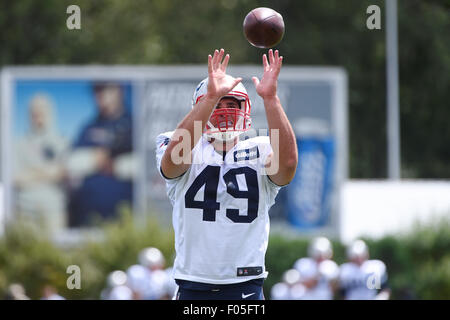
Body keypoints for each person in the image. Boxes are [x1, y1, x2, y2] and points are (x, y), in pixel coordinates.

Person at [155, 48, 298, 300]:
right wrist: (211, 97)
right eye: (218, 104)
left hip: (246, 283)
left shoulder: (261, 148)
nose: (225, 112)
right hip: (193, 283)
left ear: (245, 109)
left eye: (232, 104)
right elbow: (172, 164)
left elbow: (287, 166)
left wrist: (271, 98)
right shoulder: (178, 144)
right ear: (201, 107)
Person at [66, 82, 134, 227]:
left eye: (106, 90)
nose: (101, 97)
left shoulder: (134, 125)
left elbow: (150, 165)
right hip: (87, 217)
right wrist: (94, 159)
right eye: (97, 91)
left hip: (125, 217)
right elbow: (71, 163)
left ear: (119, 91)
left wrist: (117, 165)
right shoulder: (88, 127)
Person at [14, 94, 68, 234]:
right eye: (34, 113)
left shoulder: (62, 142)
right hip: (25, 212)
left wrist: (32, 171)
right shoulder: (18, 144)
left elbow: (63, 172)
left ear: (50, 113)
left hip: (54, 212)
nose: (38, 117)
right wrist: (48, 172)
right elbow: (16, 178)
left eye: (42, 112)